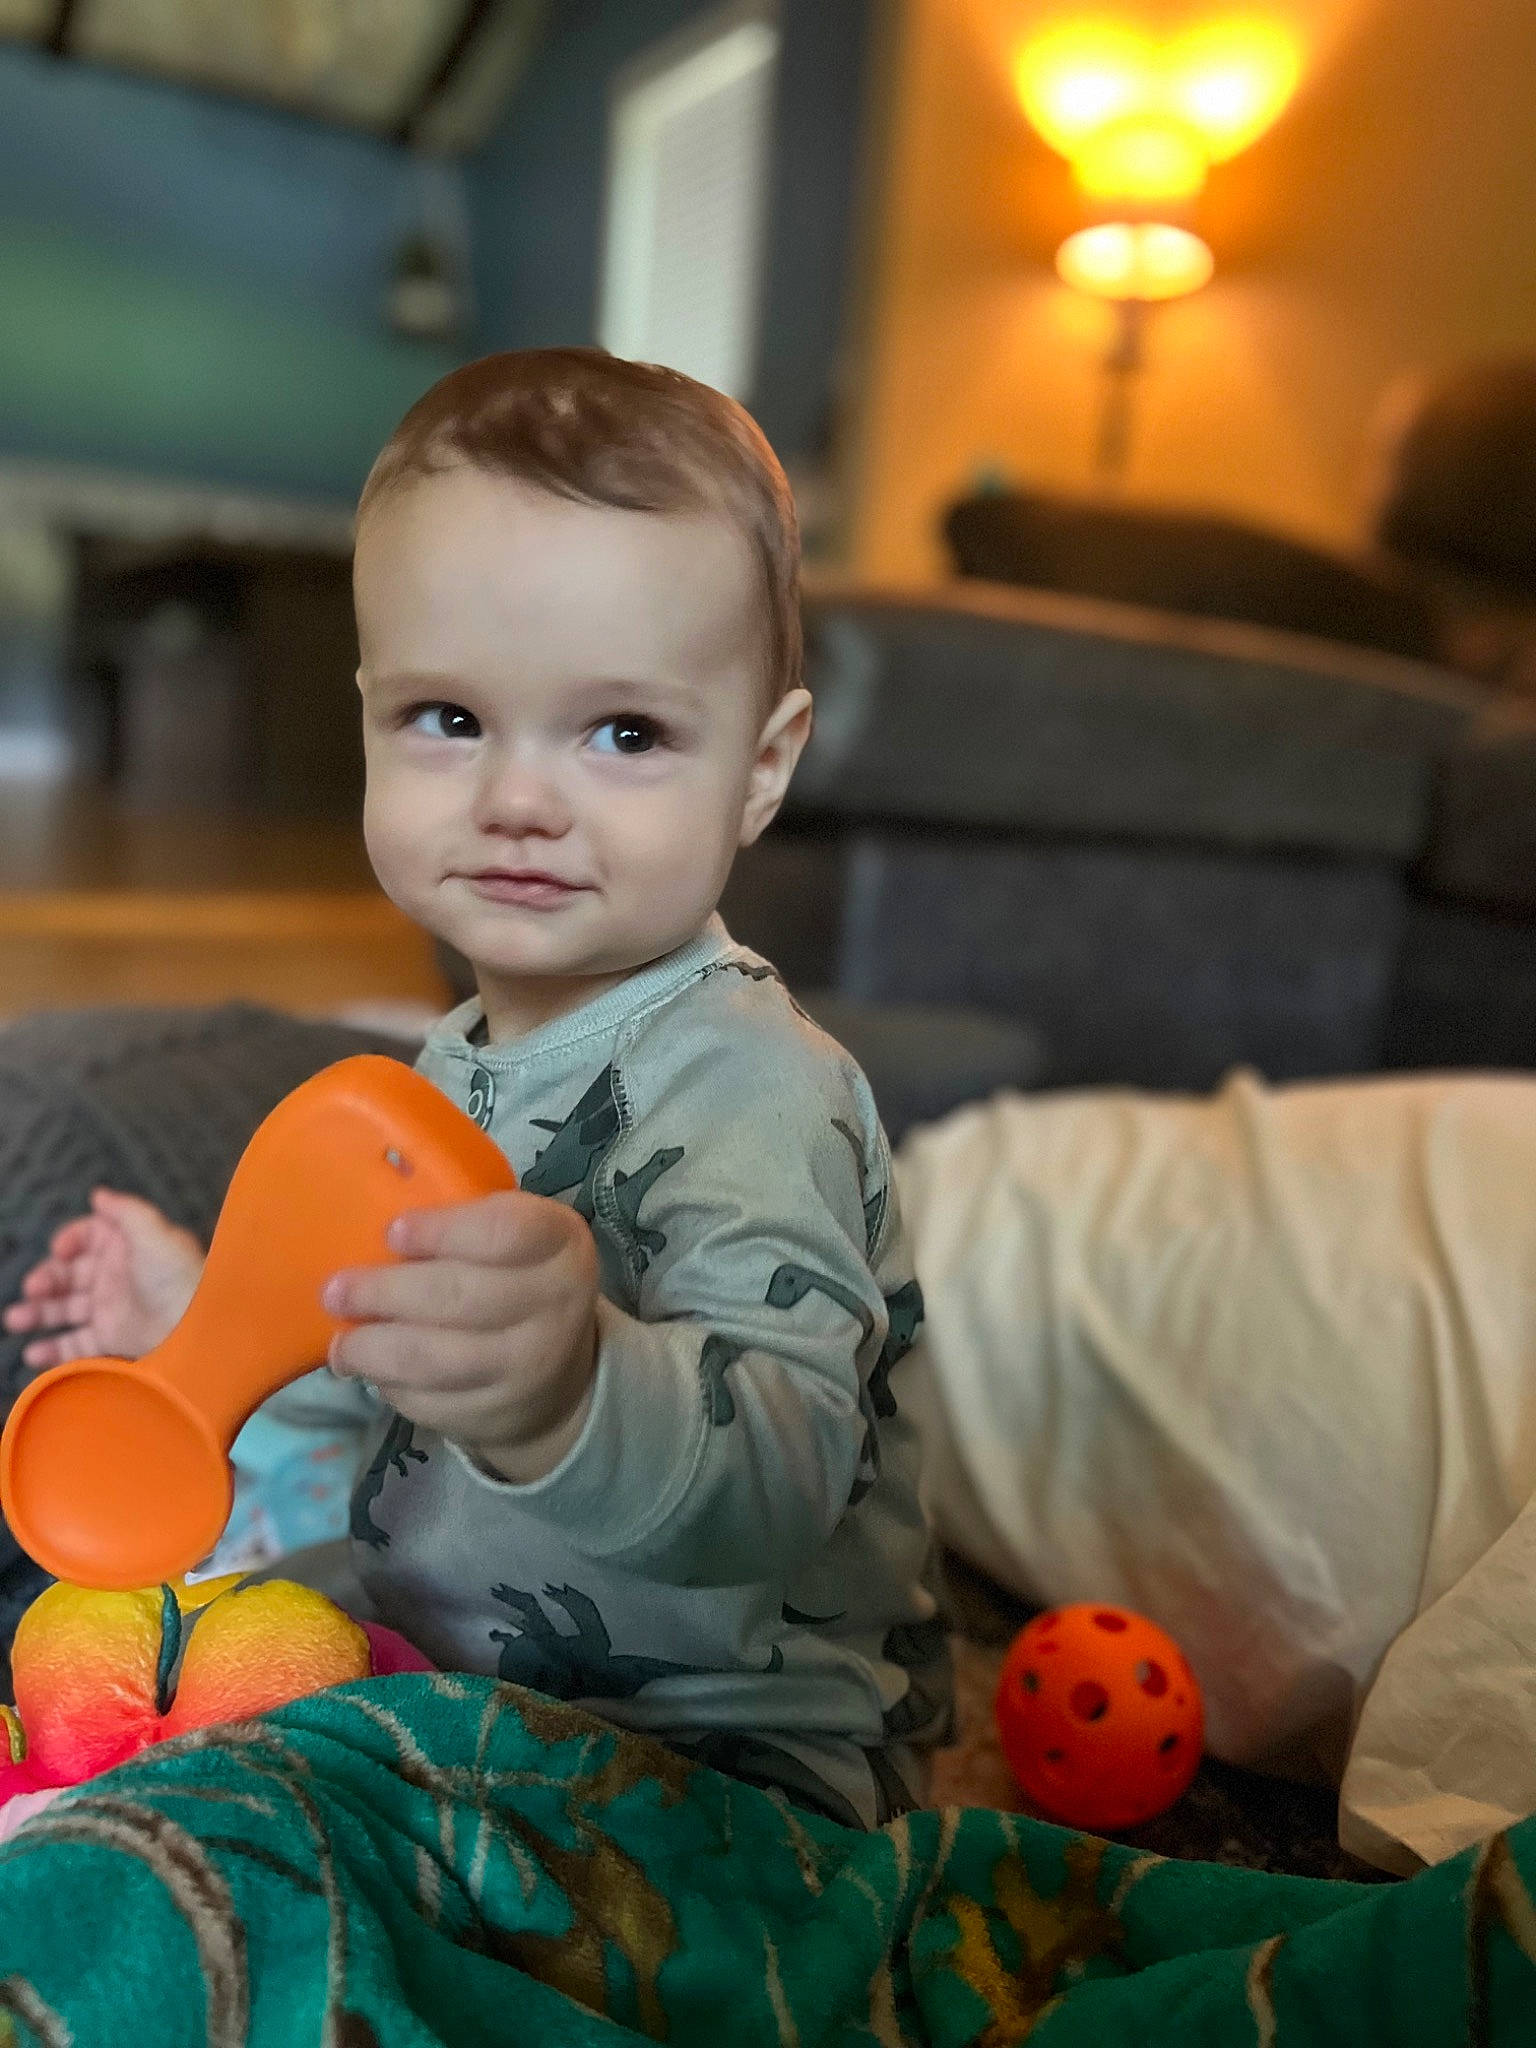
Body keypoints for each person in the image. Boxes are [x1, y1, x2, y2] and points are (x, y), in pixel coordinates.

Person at [1, 349, 950, 1830]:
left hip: (720, 1765)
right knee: (132, 1678)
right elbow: (408, 1357)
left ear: (762, 770)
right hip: (448, 1678)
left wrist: (575, 1390)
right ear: (369, 715)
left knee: (206, 1861)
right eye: (449, 719)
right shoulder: (447, 1067)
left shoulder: (761, 1090)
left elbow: (787, 1477)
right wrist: (213, 1326)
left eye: (625, 734)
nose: (517, 799)